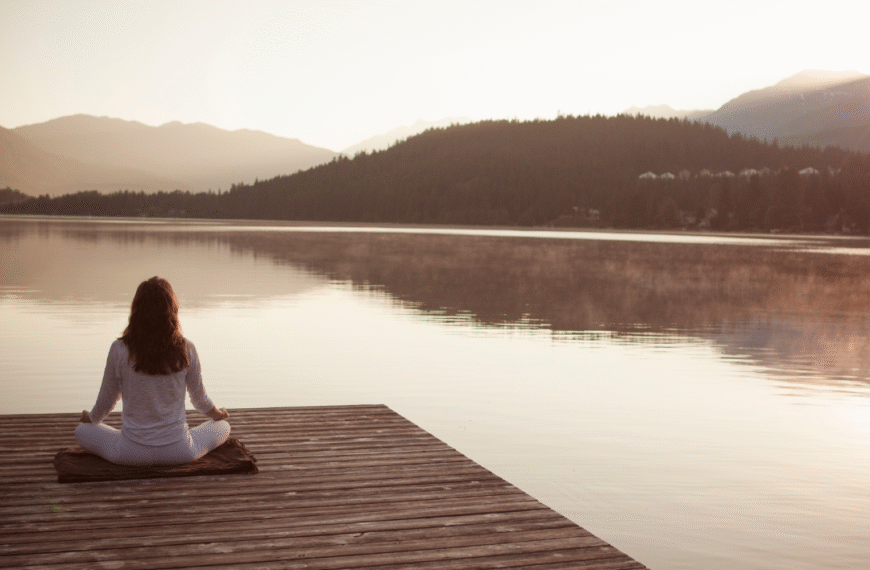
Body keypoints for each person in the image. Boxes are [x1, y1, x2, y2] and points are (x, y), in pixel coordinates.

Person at [75, 276, 230, 465]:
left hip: (130, 453)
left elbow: (107, 401)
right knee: (223, 426)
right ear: (172, 310)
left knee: (82, 431)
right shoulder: (186, 348)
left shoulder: (119, 349)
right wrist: (219, 415)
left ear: (136, 310)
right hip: (180, 452)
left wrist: (91, 418)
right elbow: (200, 400)